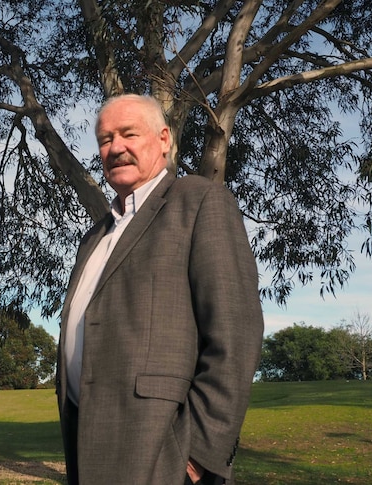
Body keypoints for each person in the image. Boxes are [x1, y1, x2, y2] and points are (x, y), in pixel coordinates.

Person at [57, 94, 264, 485]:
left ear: (164, 139)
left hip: (162, 456)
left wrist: (199, 455)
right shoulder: (94, 237)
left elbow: (235, 335)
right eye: (105, 139)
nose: (115, 147)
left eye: (128, 134)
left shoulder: (200, 202)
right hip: (90, 448)